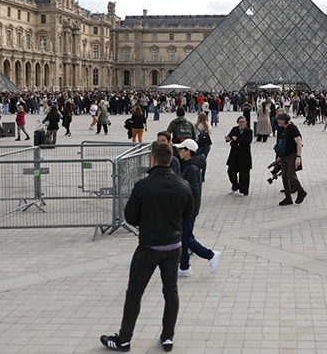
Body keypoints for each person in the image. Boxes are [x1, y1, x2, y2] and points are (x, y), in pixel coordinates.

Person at [100, 141, 193, 353]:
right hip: (173, 246)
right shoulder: (183, 184)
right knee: (171, 292)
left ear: (152, 158)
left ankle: (124, 339)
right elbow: (187, 216)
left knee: (135, 292)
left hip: (150, 245)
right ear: (171, 159)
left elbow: (130, 217)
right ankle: (168, 337)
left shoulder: (143, 185)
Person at [173, 139, 221, 278]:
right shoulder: (189, 165)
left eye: (181, 149)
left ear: (188, 151)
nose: (179, 152)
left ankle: (210, 255)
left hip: (189, 209)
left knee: (186, 238)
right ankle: (184, 266)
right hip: (189, 208)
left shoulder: (191, 168)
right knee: (185, 237)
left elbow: (193, 192)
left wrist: (186, 209)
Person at [276, 113, 306, 206]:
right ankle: (288, 197)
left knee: (290, 175)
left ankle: (301, 191)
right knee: (284, 176)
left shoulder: (293, 128)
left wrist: (298, 157)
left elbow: (299, 142)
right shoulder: (283, 128)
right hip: (284, 155)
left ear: (285, 120)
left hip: (292, 155)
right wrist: (280, 156)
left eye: (280, 119)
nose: (278, 121)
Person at [225, 115, 253, 196]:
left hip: (244, 155)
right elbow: (230, 137)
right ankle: (235, 186)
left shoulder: (249, 131)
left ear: (246, 123)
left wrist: (237, 139)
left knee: (244, 173)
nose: (242, 124)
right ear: (237, 123)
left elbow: (248, 141)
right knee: (231, 171)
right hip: (234, 154)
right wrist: (227, 139)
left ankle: (243, 190)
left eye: (243, 122)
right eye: (240, 122)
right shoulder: (234, 129)